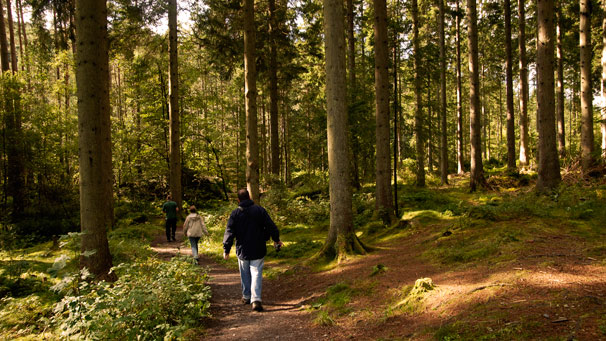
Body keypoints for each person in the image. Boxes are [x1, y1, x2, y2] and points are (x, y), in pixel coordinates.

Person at [223, 188, 283, 312]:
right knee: (256, 273)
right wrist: (276, 239)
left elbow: (229, 232)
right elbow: (271, 226)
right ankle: (256, 299)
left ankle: (246, 296)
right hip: (258, 247)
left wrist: (226, 249)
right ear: (250, 197)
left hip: (242, 249)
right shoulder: (260, 210)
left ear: (238, 200)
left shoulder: (235, 214)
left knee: (244, 273)